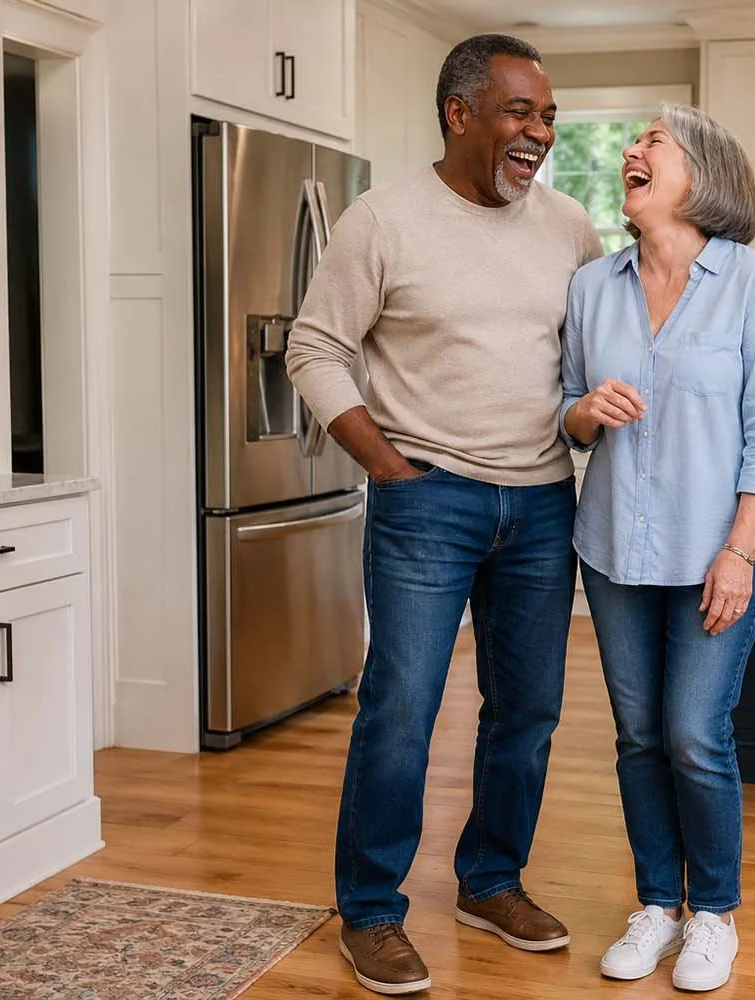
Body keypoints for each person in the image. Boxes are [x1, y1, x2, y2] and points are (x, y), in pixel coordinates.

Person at [285, 33, 603, 997]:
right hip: (428, 500)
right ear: (460, 114)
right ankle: (371, 911)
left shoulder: (570, 228)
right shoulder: (383, 220)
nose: (540, 132)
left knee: (528, 712)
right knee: (402, 710)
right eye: (521, 112)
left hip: (541, 502)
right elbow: (313, 348)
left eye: (549, 116)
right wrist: (389, 467)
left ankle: (491, 882)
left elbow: (591, 361)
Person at [559, 104, 755, 993]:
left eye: (653, 142)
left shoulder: (754, 283)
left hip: (718, 553)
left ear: (703, 173)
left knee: (695, 734)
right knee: (637, 737)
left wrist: (739, 551)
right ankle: (658, 905)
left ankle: (714, 915)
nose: (632, 150)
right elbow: (567, 412)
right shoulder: (593, 287)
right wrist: (587, 412)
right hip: (615, 549)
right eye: (634, 142)